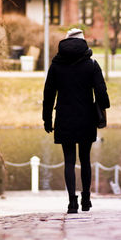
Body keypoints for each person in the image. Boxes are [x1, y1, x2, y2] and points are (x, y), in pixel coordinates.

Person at [42, 28, 110, 213]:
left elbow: (48, 95)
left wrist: (47, 119)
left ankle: (72, 202)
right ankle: (86, 200)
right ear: (83, 43)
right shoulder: (92, 64)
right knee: (85, 159)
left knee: (69, 160)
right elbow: (102, 94)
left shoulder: (56, 65)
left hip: (64, 117)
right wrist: (103, 107)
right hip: (86, 117)